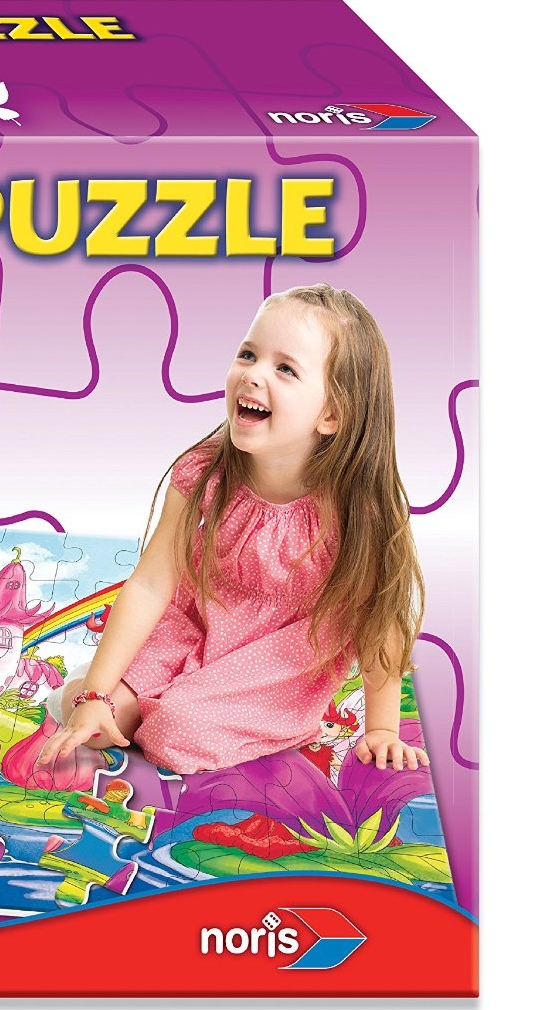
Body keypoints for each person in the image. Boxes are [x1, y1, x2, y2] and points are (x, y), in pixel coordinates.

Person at [36, 284, 427, 777]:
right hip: (192, 624)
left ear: (331, 414)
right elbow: (151, 583)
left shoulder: (358, 509)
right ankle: (100, 688)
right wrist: (94, 693)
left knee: (172, 735)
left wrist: (382, 728)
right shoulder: (205, 471)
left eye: (285, 369)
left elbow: (379, 617)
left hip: (277, 662)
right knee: (97, 718)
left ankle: (168, 706)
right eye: (248, 354)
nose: (253, 374)